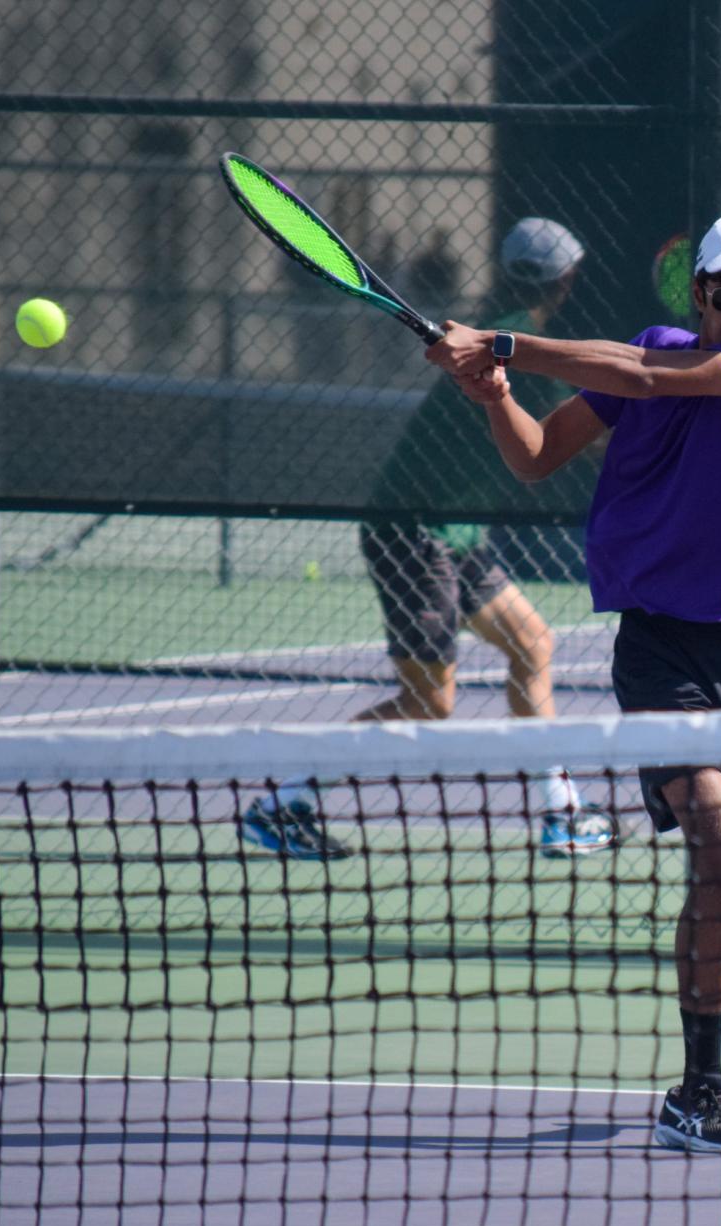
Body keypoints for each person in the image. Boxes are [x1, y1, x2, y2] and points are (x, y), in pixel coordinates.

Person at [424, 213, 721, 1155]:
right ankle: (697, 1091)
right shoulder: (645, 352)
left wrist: (506, 338)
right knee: (716, 845)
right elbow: (531, 456)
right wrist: (492, 389)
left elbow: (643, 376)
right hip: (658, 656)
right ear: (700, 296)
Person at [241, 217, 618, 862]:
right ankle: (283, 804)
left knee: (531, 643)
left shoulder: (497, 335)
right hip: (412, 532)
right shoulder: (513, 344)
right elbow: (584, 444)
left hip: (456, 530)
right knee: (428, 702)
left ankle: (561, 814)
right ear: (567, 279)